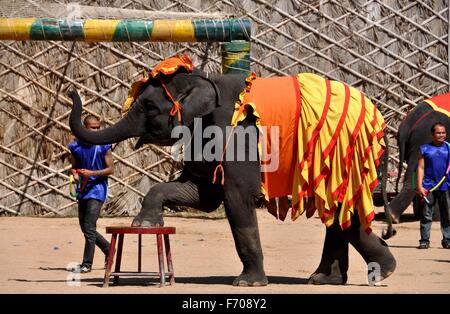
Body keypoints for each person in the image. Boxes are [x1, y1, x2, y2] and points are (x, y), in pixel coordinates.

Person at [68, 114, 115, 272]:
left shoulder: (104, 146)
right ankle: (108, 249)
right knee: (85, 228)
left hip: (98, 190)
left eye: (98, 127)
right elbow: (73, 166)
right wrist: (75, 174)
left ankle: (87, 264)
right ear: (84, 128)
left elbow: (111, 169)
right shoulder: (75, 147)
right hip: (83, 190)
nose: (96, 130)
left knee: (89, 227)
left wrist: (92, 173)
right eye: (92, 128)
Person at [416, 122, 450, 249]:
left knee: (447, 214)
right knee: (426, 214)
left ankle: (447, 240)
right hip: (428, 186)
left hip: (446, 185)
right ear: (432, 134)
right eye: (438, 132)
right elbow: (420, 167)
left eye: (443, 132)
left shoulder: (449, 148)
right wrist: (419, 186)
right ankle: (424, 240)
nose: (441, 135)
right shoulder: (424, 148)